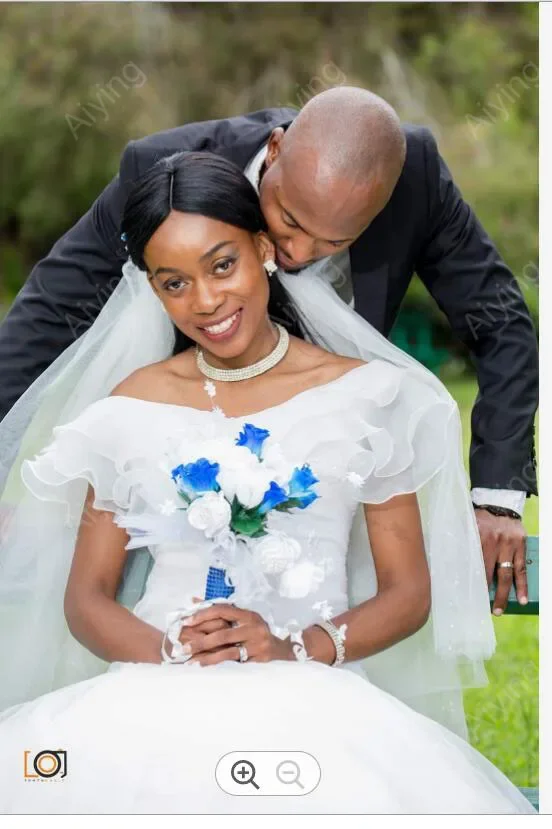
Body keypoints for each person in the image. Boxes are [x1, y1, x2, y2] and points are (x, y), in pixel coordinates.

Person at [0, 152, 535, 814]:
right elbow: (87, 597)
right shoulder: (128, 408)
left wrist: (296, 646)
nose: (205, 301)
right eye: (173, 282)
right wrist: (169, 650)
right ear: (152, 289)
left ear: (263, 248)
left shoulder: (365, 398)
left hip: (313, 689)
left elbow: (407, 593)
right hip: (149, 694)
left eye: (222, 265)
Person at [0, 88, 537, 615]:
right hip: (193, 453)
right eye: (291, 222)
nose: (299, 253)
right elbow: (48, 315)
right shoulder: (161, 171)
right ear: (275, 151)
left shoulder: (411, 174)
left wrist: (496, 498)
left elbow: (500, 324)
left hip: (335, 460)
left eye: (334, 241)